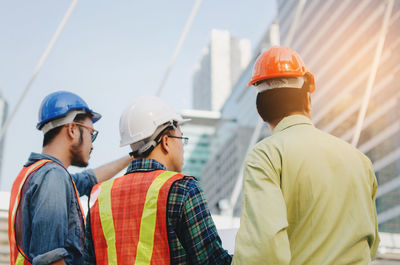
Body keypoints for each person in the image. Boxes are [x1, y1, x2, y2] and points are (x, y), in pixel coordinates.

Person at [232, 47, 379, 264]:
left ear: (260, 110)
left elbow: (263, 250)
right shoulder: (360, 161)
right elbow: (372, 243)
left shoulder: (266, 155)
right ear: (307, 100)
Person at [84, 96, 232, 265]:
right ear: (166, 141)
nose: (183, 147)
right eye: (182, 139)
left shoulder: (100, 197)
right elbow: (213, 261)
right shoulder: (182, 188)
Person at [8, 91, 132, 265]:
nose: (93, 145)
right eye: (91, 133)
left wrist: (132, 157)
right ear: (72, 129)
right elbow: (51, 260)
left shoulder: (35, 173)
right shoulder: (53, 177)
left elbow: (88, 179)